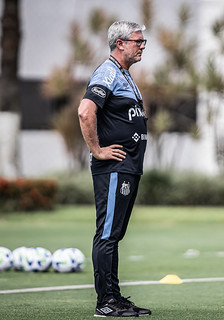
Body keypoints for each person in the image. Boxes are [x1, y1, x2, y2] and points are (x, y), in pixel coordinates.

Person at [78, 20, 151, 318]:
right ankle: (105, 303)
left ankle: (115, 298)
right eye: (138, 41)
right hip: (114, 169)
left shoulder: (124, 75)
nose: (143, 45)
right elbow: (85, 111)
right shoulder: (107, 72)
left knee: (114, 234)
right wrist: (97, 150)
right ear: (120, 43)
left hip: (128, 168)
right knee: (107, 234)